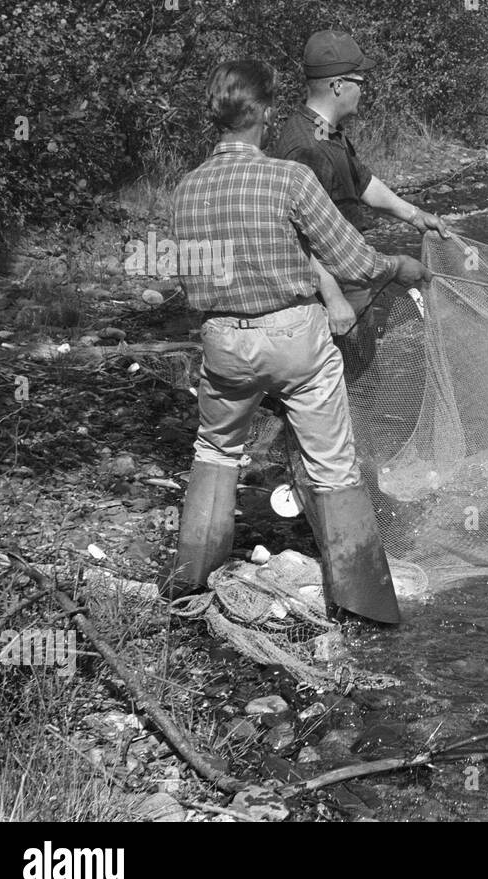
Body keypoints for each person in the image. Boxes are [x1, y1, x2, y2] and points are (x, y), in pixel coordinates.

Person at [164, 59, 429, 625]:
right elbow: (354, 265)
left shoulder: (185, 189)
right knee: (332, 467)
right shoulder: (289, 179)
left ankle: (189, 589)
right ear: (261, 113)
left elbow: (190, 282)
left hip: (222, 342)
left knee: (214, 454)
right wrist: (400, 265)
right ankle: (365, 608)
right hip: (293, 340)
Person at [269, 30, 450, 328]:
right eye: (360, 82)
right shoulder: (305, 147)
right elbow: (295, 236)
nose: (364, 90)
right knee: (344, 371)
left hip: (350, 277)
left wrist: (415, 216)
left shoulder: (327, 131)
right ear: (338, 85)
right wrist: (332, 297)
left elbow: (364, 183)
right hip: (331, 292)